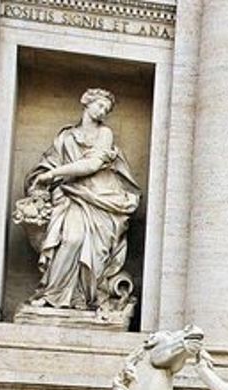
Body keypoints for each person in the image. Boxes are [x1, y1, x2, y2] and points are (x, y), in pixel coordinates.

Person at [23, 88, 141, 311]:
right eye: (99, 105)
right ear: (86, 103)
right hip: (69, 196)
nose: (103, 111)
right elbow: (47, 163)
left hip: (99, 198)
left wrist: (52, 175)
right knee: (71, 239)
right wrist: (43, 177)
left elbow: (92, 164)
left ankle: (84, 297)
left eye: (107, 109)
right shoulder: (66, 137)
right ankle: (53, 295)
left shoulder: (105, 133)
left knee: (92, 250)